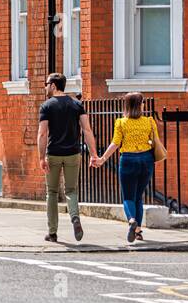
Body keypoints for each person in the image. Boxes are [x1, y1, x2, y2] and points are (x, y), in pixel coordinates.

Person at [37, 72, 97, 243]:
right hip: (73, 153)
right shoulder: (77, 105)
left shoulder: (47, 106)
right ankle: (75, 218)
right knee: (71, 190)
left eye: (46, 83)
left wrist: (41, 157)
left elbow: (42, 133)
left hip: (54, 154)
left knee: (52, 192)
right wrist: (93, 154)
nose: (45, 87)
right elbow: (87, 130)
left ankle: (52, 232)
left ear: (54, 85)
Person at [92, 92, 159, 243]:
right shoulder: (149, 121)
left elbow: (115, 143)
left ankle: (131, 221)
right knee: (138, 196)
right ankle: (138, 231)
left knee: (128, 196)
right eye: (142, 103)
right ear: (138, 105)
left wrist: (102, 159)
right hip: (146, 160)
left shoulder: (121, 122)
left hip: (128, 160)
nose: (144, 105)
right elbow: (155, 142)